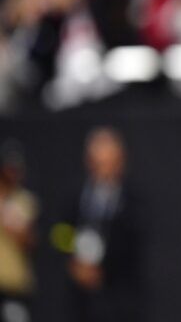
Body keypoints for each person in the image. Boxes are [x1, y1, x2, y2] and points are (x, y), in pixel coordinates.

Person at [63, 127, 144, 322]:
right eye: (98, 164)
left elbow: (134, 245)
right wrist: (73, 261)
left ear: (120, 162)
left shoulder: (132, 201)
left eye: (109, 163)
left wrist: (104, 269)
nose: (103, 171)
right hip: (82, 302)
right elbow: (61, 231)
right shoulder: (77, 197)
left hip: (119, 300)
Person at [0, 141, 37, 322]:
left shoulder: (24, 200)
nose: (12, 174)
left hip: (14, 286)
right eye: (8, 168)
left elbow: (29, 240)